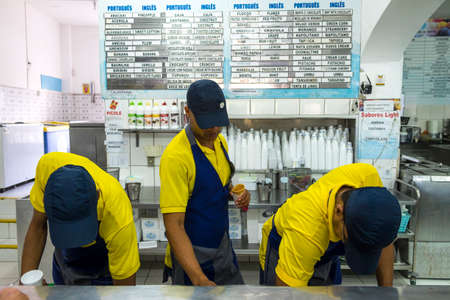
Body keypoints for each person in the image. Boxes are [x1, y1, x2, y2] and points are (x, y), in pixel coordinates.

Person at [160, 79, 250, 286]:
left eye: (218, 121)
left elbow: (217, 185)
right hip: (192, 256)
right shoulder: (177, 157)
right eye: (207, 122)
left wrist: (235, 193)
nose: (214, 129)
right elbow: (174, 225)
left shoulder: (220, 141)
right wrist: (199, 278)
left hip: (222, 246)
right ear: (188, 112)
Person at [259, 163, 401, 287]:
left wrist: (387, 294)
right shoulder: (306, 230)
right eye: (349, 240)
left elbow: (382, 240)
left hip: (323, 249)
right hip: (283, 247)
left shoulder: (367, 178)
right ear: (338, 211)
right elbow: (288, 295)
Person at [21, 152, 140, 285]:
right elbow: (38, 226)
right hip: (64, 264)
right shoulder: (46, 170)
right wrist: (26, 286)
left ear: (97, 196)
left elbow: (124, 288)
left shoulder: (117, 213)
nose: (74, 241)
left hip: (101, 268)